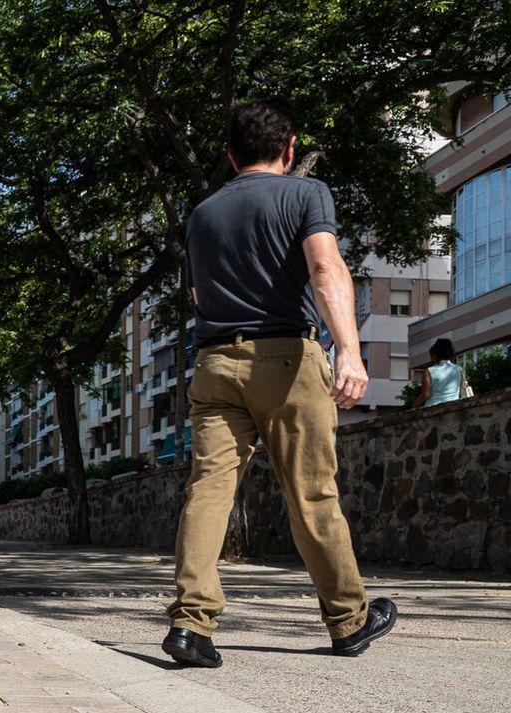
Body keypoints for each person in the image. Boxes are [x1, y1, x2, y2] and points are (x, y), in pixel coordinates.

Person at [163, 97, 396, 668]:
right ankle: (348, 620)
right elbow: (324, 267)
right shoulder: (305, 193)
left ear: (230, 155)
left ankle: (191, 625)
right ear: (290, 148)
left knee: (208, 492)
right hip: (288, 360)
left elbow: (197, 296)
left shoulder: (202, 214)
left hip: (214, 364)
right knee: (312, 493)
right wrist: (349, 349)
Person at [413, 337, 470, 408]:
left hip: (432, 409)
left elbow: (426, 394)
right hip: (454, 407)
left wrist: (413, 405)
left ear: (435, 355)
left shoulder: (429, 371)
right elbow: (462, 387)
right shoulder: (459, 369)